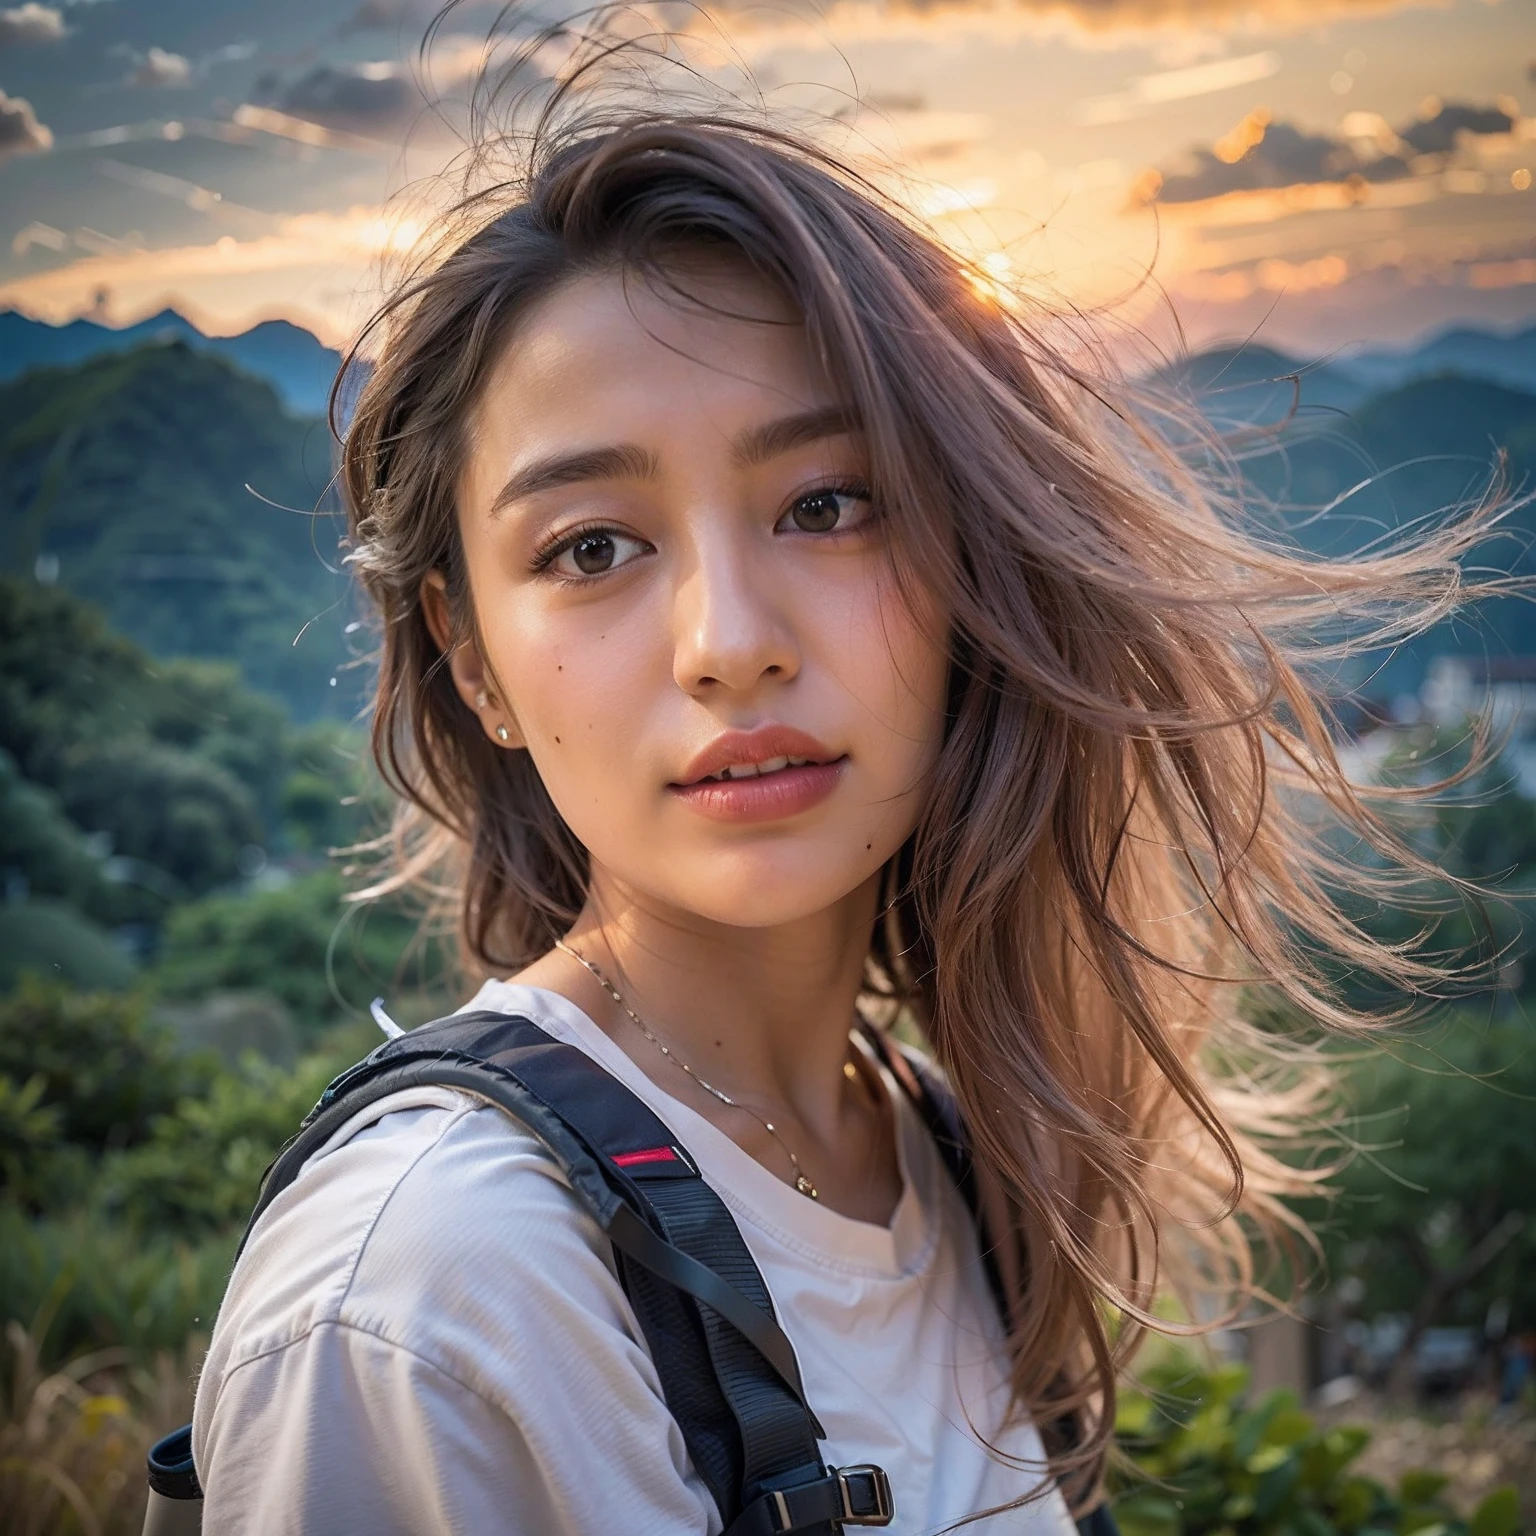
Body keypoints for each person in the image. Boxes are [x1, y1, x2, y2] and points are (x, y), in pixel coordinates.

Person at [187, 30, 1495, 1536]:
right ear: (473, 660)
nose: (729, 644)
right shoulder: (432, 1296)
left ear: (970, 568)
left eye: (827, 504)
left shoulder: (943, 1157)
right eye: (592, 548)